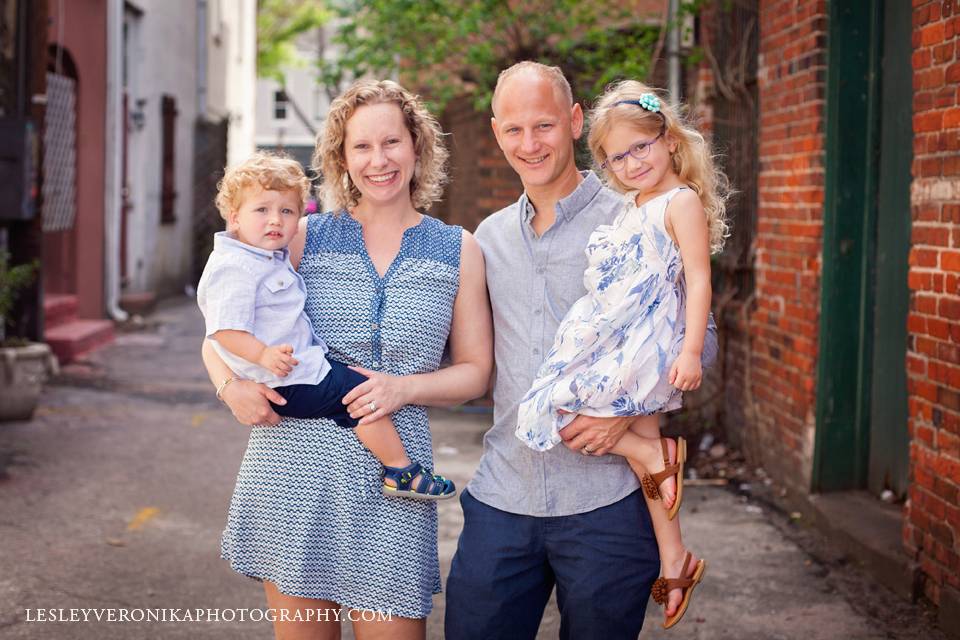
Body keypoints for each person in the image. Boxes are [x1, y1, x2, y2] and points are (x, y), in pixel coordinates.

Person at [201, 79, 492, 640]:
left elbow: (475, 373)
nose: (378, 160)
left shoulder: (460, 248)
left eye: (392, 143)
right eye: (361, 146)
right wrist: (230, 388)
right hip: (292, 476)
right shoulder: (299, 235)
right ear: (341, 157)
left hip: (395, 485)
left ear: (417, 146)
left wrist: (401, 389)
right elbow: (220, 328)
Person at [444, 62, 719, 639]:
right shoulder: (486, 239)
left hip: (607, 506)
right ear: (496, 132)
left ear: (573, 122)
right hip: (504, 495)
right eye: (514, 129)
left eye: (543, 125)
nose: (530, 143)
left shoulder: (637, 213)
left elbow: (701, 338)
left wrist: (618, 414)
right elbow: (473, 363)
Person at [515, 80, 731, 629]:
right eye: (618, 157)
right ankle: (674, 557)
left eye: (642, 147)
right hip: (619, 333)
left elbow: (700, 282)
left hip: (650, 340)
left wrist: (687, 353)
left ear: (669, 141)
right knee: (633, 451)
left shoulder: (680, 202)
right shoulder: (635, 204)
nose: (632, 162)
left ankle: (655, 472)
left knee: (559, 410)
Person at [197, 151, 457, 501]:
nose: (275, 220)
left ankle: (399, 468)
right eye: (261, 210)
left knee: (356, 393)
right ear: (235, 218)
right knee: (361, 394)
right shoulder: (237, 266)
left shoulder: (269, 255)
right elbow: (221, 332)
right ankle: (400, 470)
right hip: (288, 380)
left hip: (297, 371)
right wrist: (248, 368)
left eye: (287, 211)